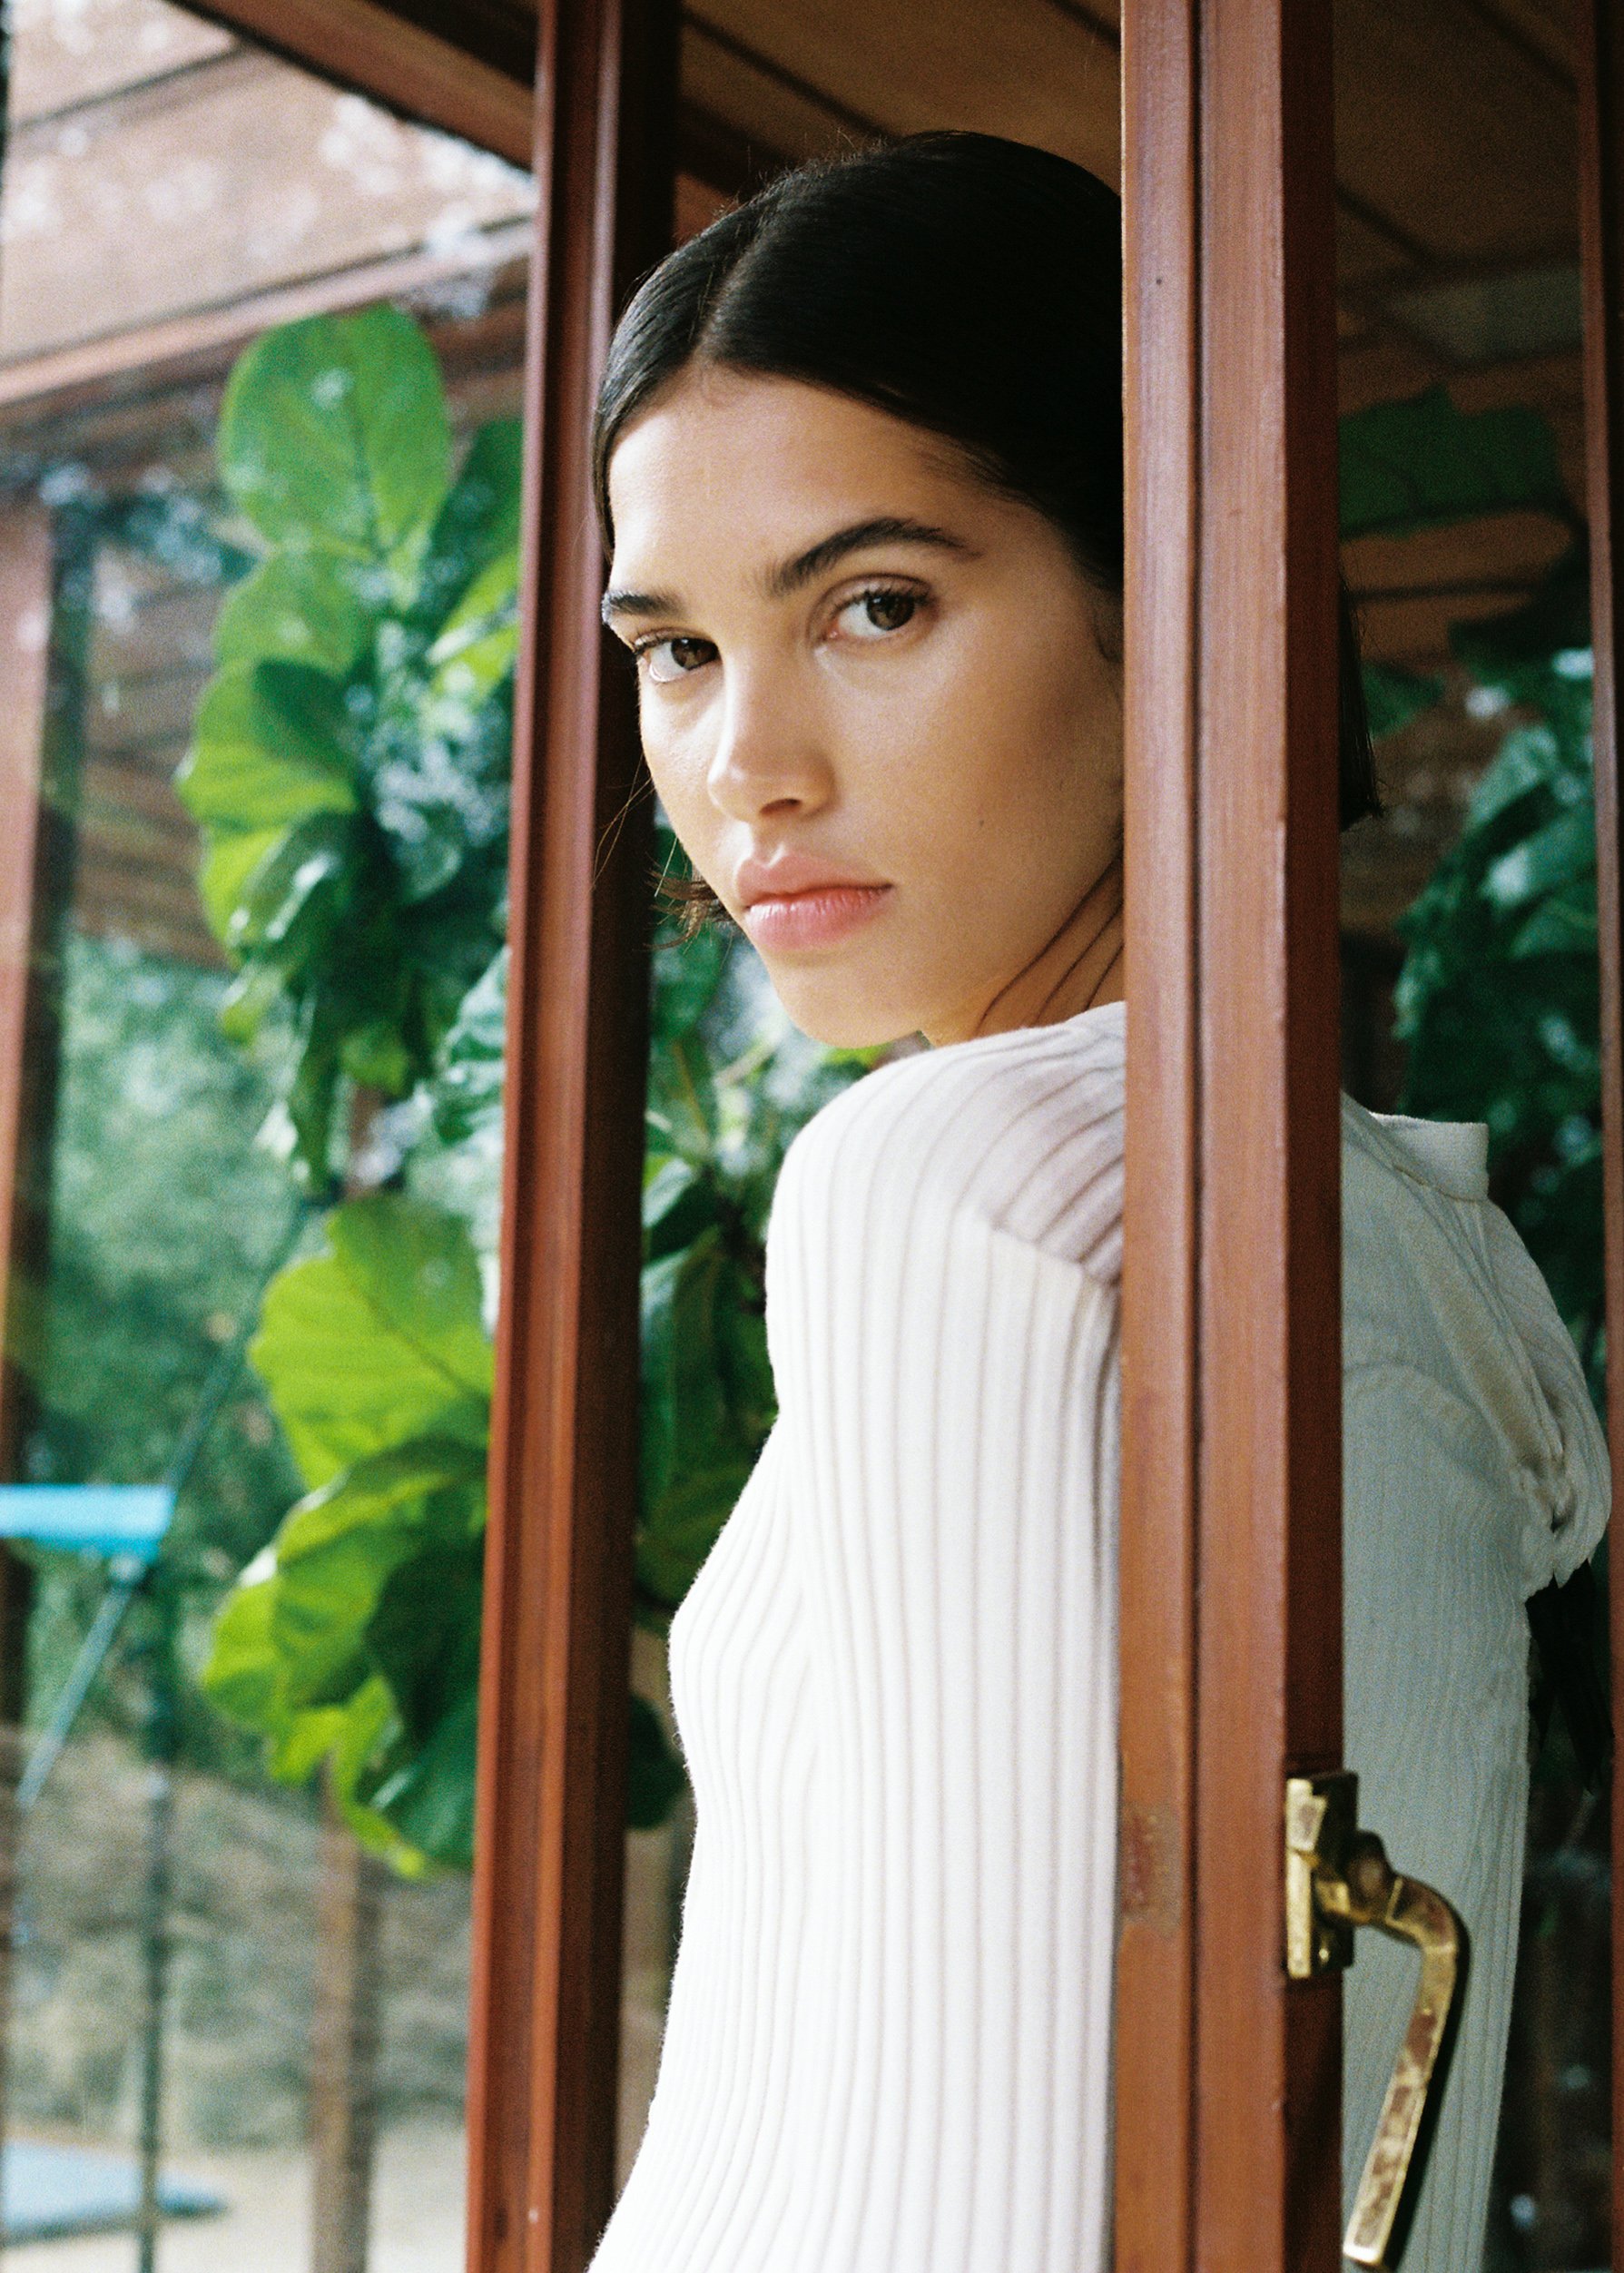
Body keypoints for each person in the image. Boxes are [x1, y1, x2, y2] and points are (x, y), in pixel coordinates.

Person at [586, 133, 1610, 2273]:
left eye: (874, 604)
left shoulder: (956, 1192)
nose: (744, 763)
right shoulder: (1385, 1231)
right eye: (674, 648)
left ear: (1170, 600)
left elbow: (979, 2201)